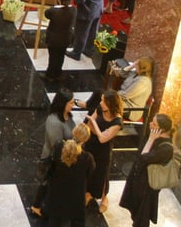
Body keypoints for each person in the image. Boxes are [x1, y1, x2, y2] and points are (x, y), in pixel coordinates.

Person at [119, 114, 177, 227]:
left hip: (147, 185)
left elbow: (143, 157)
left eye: (154, 124)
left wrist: (150, 139)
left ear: (161, 129)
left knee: (142, 216)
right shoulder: (154, 137)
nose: (150, 124)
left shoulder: (165, 148)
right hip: (139, 179)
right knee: (135, 210)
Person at [29, 88, 77, 217]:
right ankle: (37, 206)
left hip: (65, 156)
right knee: (47, 183)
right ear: (63, 104)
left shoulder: (66, 115)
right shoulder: (54, 122)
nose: (73, 105)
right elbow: (57, 146)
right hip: (54, 159)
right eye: (71, 103)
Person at [45, 124, 95, 227]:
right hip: (76, 196)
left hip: (57, 193)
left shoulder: (59, 148)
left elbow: (51, 167)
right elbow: (90, 175)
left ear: (73, 133)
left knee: (54, 221)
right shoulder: (87, 158)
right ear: (86, 139)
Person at [83, 89, 124, 213]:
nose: (100, 103)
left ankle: (104, 197)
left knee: (102, 172)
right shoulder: (100, 109)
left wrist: (95, 125)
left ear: (110, 104)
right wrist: (97, 129)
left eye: (103, 101)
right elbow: (89, 125)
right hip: (91, 144)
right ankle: (88, 193)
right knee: (89, 169)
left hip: (103, 150)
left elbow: (103, 139)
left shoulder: (117, 121)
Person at [44, 0, 76, 81]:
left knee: (53, 57)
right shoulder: (73, 10)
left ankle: (50, 75)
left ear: (59, 0)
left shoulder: (54, 11)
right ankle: (58, 73)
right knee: (61, 56)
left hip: (53, 39)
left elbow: (46, 14)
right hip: (66, 39)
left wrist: (55, 6)